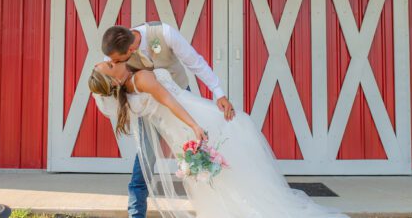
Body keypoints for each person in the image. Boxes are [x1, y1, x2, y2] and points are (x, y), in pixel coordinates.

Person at [89, 62, 349, 218]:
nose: (111, 60)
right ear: (114, 78)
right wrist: (194, 125)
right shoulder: (140, 78)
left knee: (216, 174)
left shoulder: (126, 94)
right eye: (109, 65)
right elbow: (169, 100)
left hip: (179, 131)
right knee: (225, 166)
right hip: (193, 119)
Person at [100, 22, 235, 218]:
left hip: (179, 97)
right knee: (144, 162)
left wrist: (219, 93)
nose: (114, 63)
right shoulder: (113, 54)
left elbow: (194, 61)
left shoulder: (164, 33)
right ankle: (136, 214)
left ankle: (219, 208)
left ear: (131, 49)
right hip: (149, 109)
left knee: (202, 155)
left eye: (118, 60)